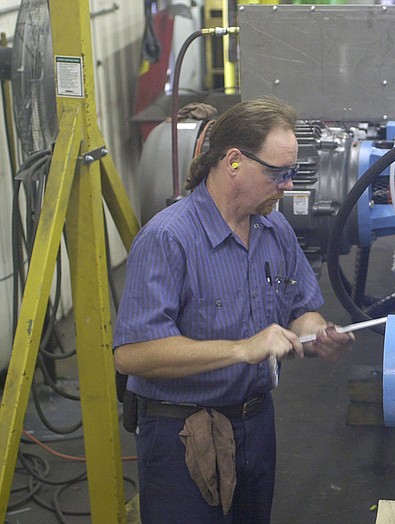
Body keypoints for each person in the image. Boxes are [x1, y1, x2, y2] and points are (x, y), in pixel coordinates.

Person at [113, 96, 354, 523]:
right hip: (183, 435)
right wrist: (242, 349)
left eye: (292, 173)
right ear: (234, 161)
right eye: (278, 173)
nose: (288, 186)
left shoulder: (273, 227)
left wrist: (318, 333)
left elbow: (301, 308)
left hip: (255, 425)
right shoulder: (168, 239)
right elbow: (133, 353)